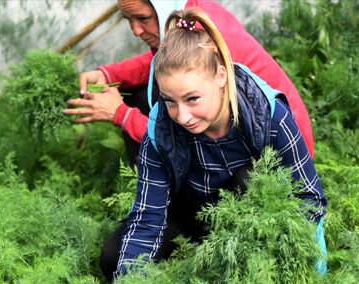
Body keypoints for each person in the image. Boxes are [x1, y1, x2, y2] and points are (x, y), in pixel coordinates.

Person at [99, 9, 328, 282]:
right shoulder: (161, 126)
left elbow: (309, 198)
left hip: (249, 215)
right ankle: (201, 253)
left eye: (192, 99)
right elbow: (148, 216)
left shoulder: (268, 115)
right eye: (170, 100)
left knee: (250, 178)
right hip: (192, 207)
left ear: (221, 76)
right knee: (113, 259)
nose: (182, 116)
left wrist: (310, 274)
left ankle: (224, 256)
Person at [64, 0, 315, 166]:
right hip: (237, 133)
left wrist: (122, 115)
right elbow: (161, 59)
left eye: (142, 18)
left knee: (140, 106)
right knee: (137, 93)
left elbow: (198, 140)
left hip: (276, 156)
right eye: (128, 20)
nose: (136, 31)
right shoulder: (188, 11)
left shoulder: (205, 38)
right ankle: (155, 184)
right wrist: (110, 74)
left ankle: (178, 204)